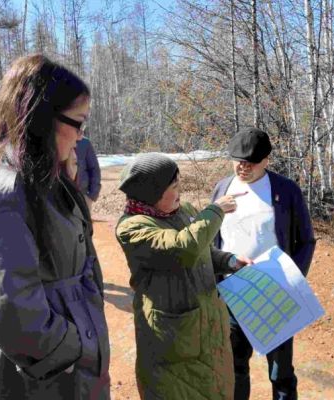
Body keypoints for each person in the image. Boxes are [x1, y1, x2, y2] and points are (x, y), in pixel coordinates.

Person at [0, 54, 110, 399]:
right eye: (78, 123)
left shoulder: (49, 179)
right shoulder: (9, 190)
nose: (81, 137)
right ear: (42, 119)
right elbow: (11, 306)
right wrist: (74, 345)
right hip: (44, 375)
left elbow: (84, 261)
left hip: (76, 361)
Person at [115, 153, 253, 399]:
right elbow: (183, 249)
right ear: (153, 193)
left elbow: (202, 252)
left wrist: (230, 261)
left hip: (208, 331)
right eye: (174, 186)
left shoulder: (183, 210)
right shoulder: (133, 227)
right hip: (173, 339)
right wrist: (215, 211)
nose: (181, 190)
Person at [211, 127, 316, 400]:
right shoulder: (223, 188)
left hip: (276, 292)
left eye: (250, 162)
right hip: (233, 293)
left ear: (266, 159)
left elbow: (306, 241)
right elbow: (212, 239)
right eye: (237, 161)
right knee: (234, 367)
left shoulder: (285, 190)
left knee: (280, 372)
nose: (242, 168)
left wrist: (293, 279)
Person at [75, 128, 101, 209]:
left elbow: (94, 169)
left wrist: (91, 196)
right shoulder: (58, 140)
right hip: (60, 197)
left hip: (82, 195)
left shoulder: (85, 143)